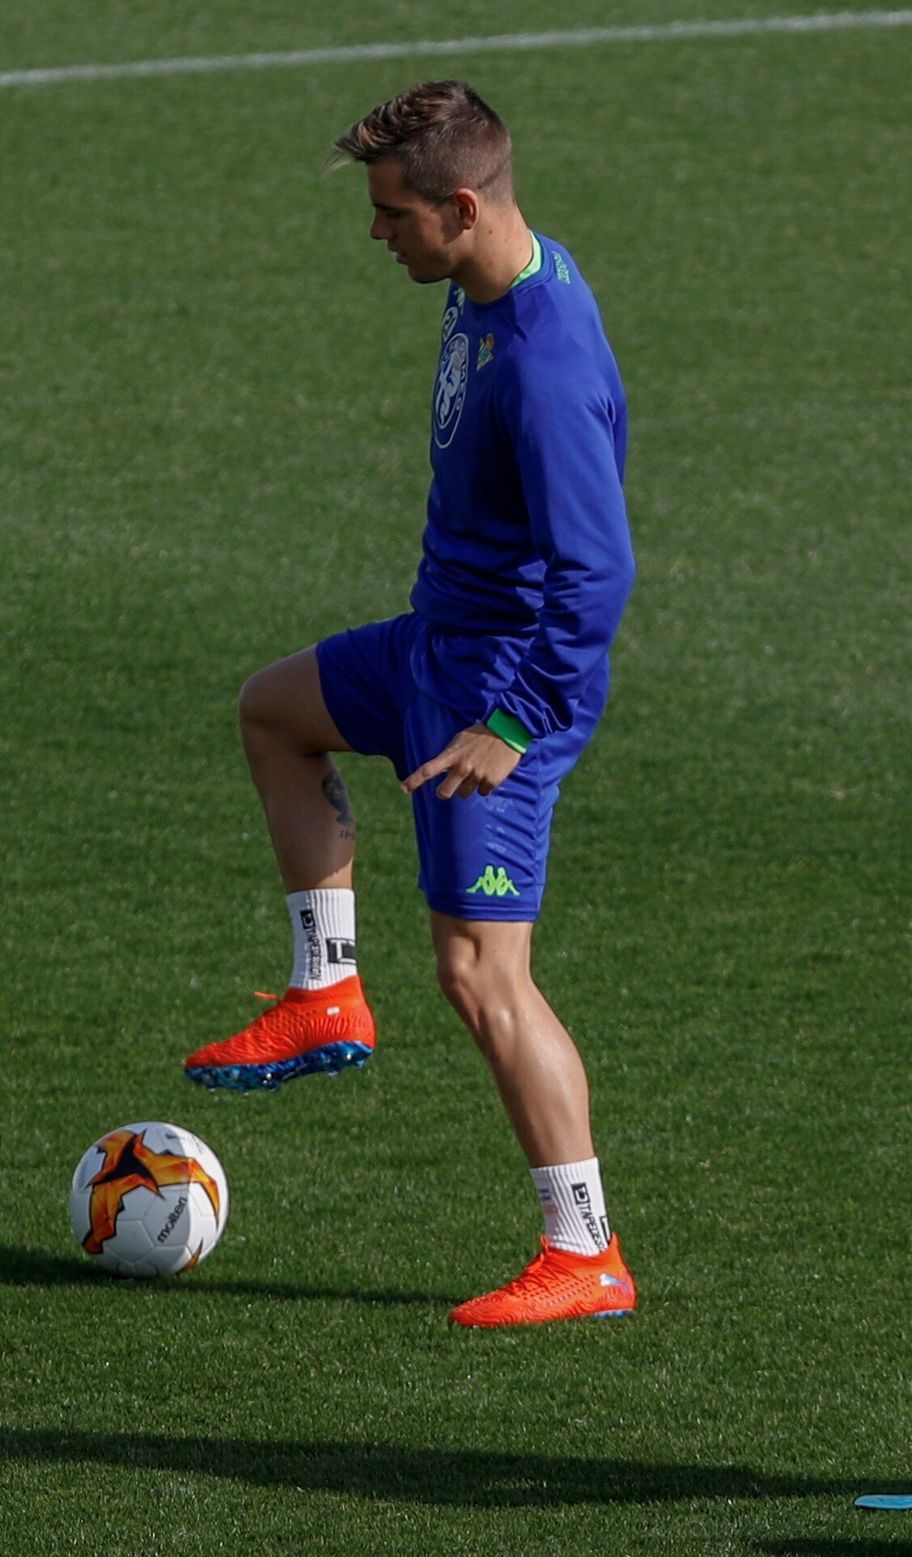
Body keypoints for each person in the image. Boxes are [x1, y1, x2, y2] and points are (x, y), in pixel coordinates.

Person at [185, 81, 639, 1329]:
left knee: (481, 973)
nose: (376, 234)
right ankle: (324, 990)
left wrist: (516, 721)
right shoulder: (485, 282)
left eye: (392, 215)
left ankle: (584, 1249)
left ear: (460, 207)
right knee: (274, 712)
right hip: (437, 644)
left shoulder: (543, 367)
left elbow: (599, 573)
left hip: (491, 690)